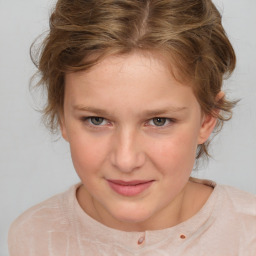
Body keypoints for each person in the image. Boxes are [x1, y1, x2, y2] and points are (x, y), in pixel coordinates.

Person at [8, 0, 256, 255]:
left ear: (207, 118)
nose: (126, 160)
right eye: (96, 120)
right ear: (62, 116)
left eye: (159, 121)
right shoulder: (34, 237)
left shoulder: (249, 237)